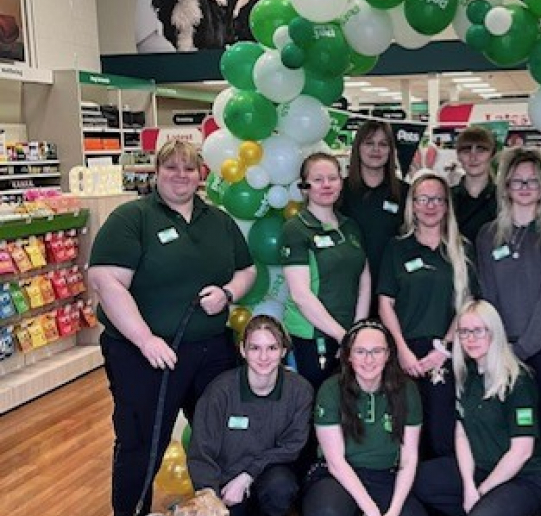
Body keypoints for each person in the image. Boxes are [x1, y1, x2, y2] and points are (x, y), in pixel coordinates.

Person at [88, 139, 256, 516]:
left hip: (211, 350)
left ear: (201, 174)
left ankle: (217, 509)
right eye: (171, 167)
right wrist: (145, 339)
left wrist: (228, 292)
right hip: (141, 356)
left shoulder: (219, 221)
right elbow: (106, 281)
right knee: (142, 443)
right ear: (157, 172)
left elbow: (247, 269)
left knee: (220, 437)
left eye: (189, 168)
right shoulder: (132, 218)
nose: (181, 175)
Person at [475, 148, 541, 516]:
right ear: (506, 187)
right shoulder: (488, 235)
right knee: (506, 427)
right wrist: (500, 345)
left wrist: (523, 349)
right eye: (518, 181)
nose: (525, 187)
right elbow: (487, 290)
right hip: (500, 346)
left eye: (532, 180)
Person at [414, 300, 541, 516]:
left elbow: (522, 452)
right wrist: (469, 485)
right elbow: (462, 435)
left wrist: (482, 491)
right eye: (464, 332)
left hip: (523, 478)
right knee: (415, 481)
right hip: (480, 469)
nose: (470, 339)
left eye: (478, 331)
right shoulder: (466, 375)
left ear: (494, 332)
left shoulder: (518, 381)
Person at [378, 170, 474, 458]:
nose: (430, 206)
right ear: (413, 205)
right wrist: (402, 351)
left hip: (444, 352)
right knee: (406, 433)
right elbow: (385, 303)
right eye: (423, 199)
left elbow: (466, 305)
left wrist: (443, 350)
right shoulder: (397, 248)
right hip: (405, 354)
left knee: (441, 432)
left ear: (446, 206)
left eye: (437, 200)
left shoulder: (460, 249)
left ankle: (439, 497)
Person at [187, 315, 314, 516]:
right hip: (225, 483)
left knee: (281, 488)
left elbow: (292, 445)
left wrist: (247, 475)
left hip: (268, 474)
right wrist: (210, 497)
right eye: (255, 348)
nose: (263, 357)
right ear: (242, 350)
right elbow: (202, 450)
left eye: (272, 348)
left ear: (283, 351)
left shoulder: (299, 390)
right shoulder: (220, 391)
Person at [303, 319, 426, 516]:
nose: (368, 360)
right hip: (337, 476)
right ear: (349, 356)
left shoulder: (407, 390)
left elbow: (409, 458)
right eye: (360, 352)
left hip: (386, 476)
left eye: (376, 351)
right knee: (327, 511)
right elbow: (336, 462)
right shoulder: (331, 389)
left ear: (387, 355)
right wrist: (372, 511)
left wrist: (394, 510)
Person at [278, 151, 371, 389]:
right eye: (318, 179)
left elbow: (364, 279)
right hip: (312, 336)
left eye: (332, 178)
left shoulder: (351, 226)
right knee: (314, 407)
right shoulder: (295, 229)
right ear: (305, 187)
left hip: (350, 336)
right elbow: (301, 295)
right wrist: (343, 337)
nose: (326, 185)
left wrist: (357, 330)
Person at [340, 120, 409, 315]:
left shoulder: (405, 193)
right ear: (357, 148)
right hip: (349, 287)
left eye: (383, 144)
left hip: (392, 290)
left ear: (391, 151)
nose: (376, 149)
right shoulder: (340, 192)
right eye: (369, 143)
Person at [451, 126, 498, 245]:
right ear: (458, 156)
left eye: (481, 150)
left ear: (492, 155)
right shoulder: (447, 198)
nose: (473, 157)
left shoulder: (505, 198)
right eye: (466, 151)